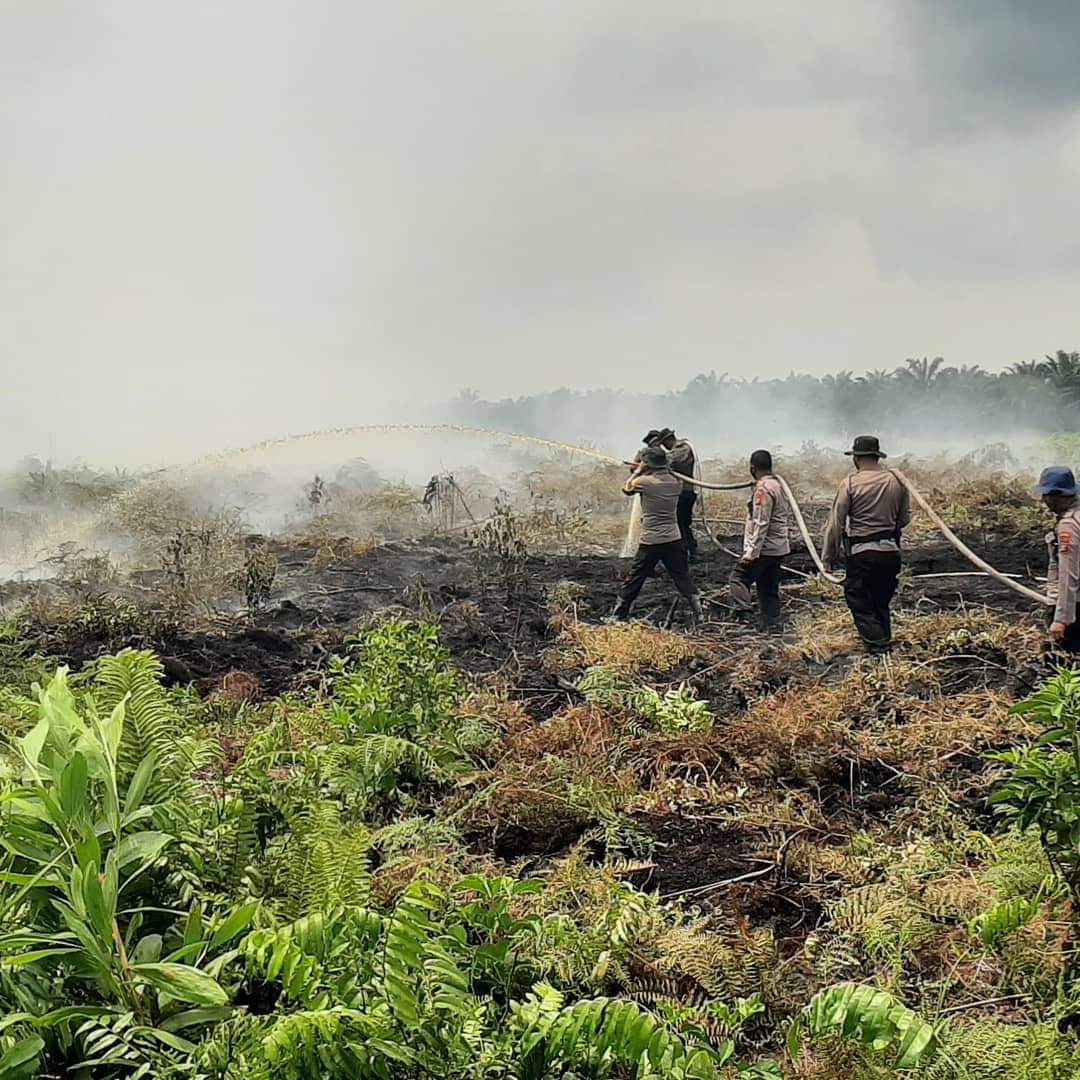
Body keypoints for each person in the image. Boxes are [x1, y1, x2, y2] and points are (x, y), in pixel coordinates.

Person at [822, 435, 910, 654]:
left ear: (856, 458)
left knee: (859, 600)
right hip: (890, 552)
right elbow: (904, 519)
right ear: (876, 456)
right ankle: (884, 646)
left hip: (862, 554)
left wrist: (828, 558)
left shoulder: (850, 483)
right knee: (881, 602)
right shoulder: (896, 481)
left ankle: (879, 649)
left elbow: (836, 525)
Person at [613, 446, 704, 627]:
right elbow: (667, 476)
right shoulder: (676, 482)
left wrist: (638, 470)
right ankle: (700, 612)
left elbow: (626, 488)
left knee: (635, 578)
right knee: (682, 577)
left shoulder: (645, 482)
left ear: (648, 464)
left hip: (651, 541)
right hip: (674, 539)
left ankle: (618, 614)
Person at [729, 449, 790, 632]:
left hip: (764, 549)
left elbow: (761, 523)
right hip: (778, 548)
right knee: (767, 588)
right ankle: (772, 626)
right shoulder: (777, 485)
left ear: (752, 468)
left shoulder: (763, 490)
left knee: (738, 578)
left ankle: (744, 618)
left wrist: (751, 553)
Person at [1035, 466, 1080, 654]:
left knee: (1066, 663)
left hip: (1075, 608)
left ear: (1055, 496)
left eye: (1045, 495)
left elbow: (1068, 576)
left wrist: (1061, 619)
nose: (1043, 500)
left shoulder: (1069, 525)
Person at [656, 428, 699, 558]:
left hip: (684, 492)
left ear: (669, 440)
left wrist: (653, 459)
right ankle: (687, 548)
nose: (665, 447)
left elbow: (670, 462)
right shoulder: (680, 448)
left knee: (681, 522)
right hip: (680, 492)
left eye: (664, 444)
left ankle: (688, 550)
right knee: (680, 522)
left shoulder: (683, 449)